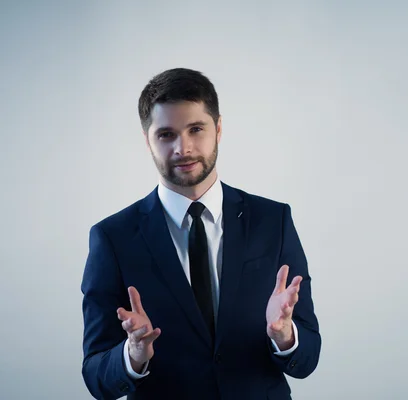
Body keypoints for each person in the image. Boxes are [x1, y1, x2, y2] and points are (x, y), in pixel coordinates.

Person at [80, 68, 321, 400]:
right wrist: (132, 356)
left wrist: (284, 336)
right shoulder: (113, 238)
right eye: (166, 134)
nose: (184, 148)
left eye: (196, 129)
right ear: (147, 140)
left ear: (218, 129)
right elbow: (96, 376)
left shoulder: (273, 220)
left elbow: (308, 358)